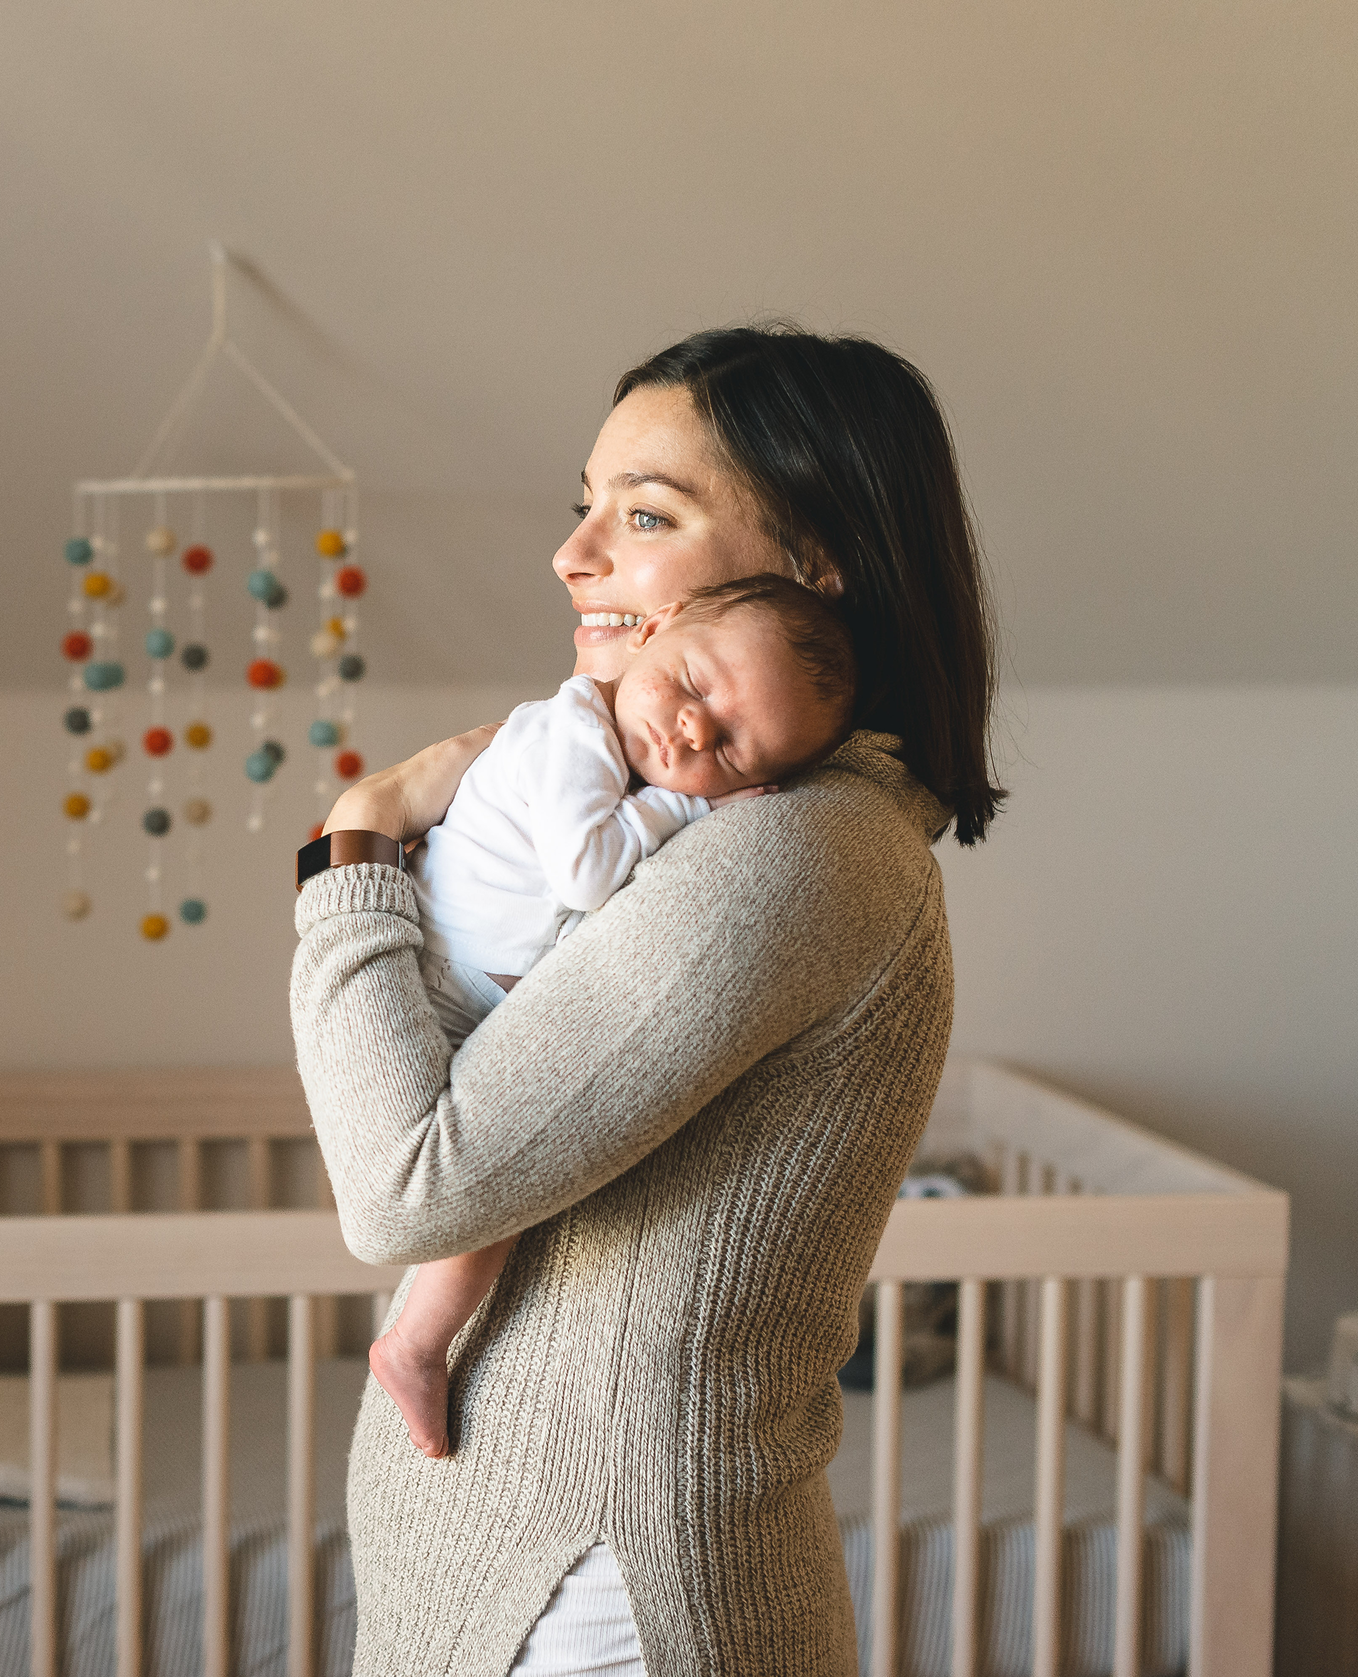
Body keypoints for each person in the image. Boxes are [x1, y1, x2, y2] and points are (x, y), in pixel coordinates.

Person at [290, 323, 1000, 1677]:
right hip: (542, 1575)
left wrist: (356, 845)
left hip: (603, 1600)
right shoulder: (714, 813)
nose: (575, 554)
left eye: (647, 512)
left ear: (817, 562)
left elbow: (410, 1186)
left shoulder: (789, 851)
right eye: (586, 506)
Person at [376, 573, 859, 1459]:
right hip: (448, 985)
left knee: (497, 1197)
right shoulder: (574, 732)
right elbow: (589, 873)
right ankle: (411, 1343)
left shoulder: (627, 753)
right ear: (659, 626)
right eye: (697, 685)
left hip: (481, 997)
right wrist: (689, 802)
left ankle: (413, 1341)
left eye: (734, 752)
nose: (692, 732)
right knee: (473, 1191)